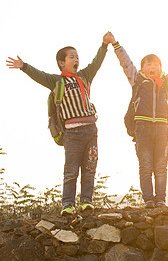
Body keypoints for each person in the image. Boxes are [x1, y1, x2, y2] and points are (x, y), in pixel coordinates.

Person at [6, 32, 114, 215]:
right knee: (71, 171)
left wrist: (104, 46)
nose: (76, 59)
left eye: (77, 56)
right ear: (62, 63)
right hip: (71, 134)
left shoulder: (84, 76)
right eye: (72, 57)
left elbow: (96, 63)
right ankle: (68, 205)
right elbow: (38, 75)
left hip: (90, 131)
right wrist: (24, 66)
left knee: (89, 168)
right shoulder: (56, 81)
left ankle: (86, 202)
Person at [110, 33, 168, 208]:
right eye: (149, 64)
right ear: (142, 68)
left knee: (161, 166)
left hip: (161, 128)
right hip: (142, 127)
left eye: (157, 64)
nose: (153, 66)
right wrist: (115, 44)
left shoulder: (166, 82)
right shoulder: (137, 80)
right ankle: (149, 201)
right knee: (145, 166)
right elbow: (126, 63)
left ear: (161, 68)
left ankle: (161, 199)